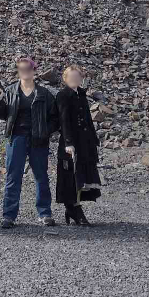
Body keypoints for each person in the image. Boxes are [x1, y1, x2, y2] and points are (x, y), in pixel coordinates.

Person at [0, 57, 59, 228]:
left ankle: (45, 213)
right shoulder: (9, 91)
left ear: (34, 71)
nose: (24, 71)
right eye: (21, 69)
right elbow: (2, 115)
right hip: (16, 138)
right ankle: (9, 216)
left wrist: (45, 131)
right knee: (12, 177)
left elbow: (55, 118)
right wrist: (0, 100)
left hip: (38, 139)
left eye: (27, 69)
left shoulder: (44, 94)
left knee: (41, 176)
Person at [55, 65, 102, 226]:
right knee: (71, 176)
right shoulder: (63, 95)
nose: (75, 80)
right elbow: (64, 120)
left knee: (82, 176)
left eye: (77, 77)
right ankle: (73, 208)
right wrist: (68, 142)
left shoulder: (81, 94)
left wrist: (94, 139)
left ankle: (74, 208)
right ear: (65, 79)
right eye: (72, 77)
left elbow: (88, 119)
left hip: (85, 142)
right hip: (72, 143)